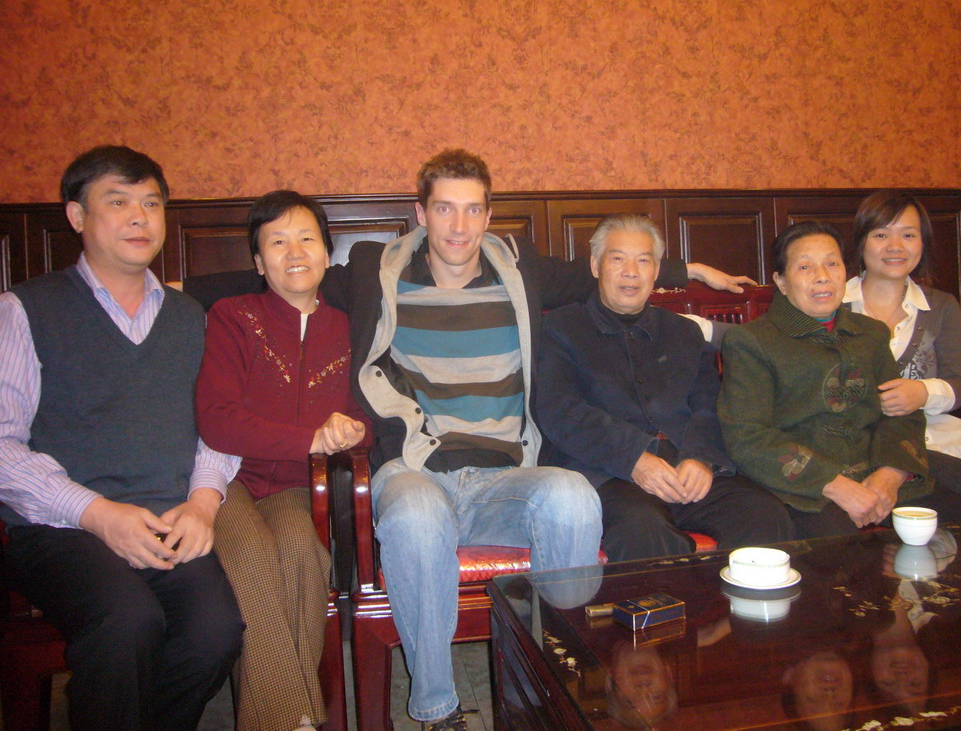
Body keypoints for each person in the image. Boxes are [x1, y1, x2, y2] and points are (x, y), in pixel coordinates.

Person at [185, 148, 752, 731]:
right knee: (417, 514)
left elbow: (610, 270)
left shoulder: (519, 265)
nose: (459, 226)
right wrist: (169, 288)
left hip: (506, 475)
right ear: (421, 212)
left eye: (473, 210)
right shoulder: (374, 271)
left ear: (488, 214)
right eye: (445, 209)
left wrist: (690, 272)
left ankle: (549, 688)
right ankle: (437, 709)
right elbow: (287, 272)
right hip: (413, 468)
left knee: (574, 497)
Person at [0, 145, 244, 731]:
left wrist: (204, 502)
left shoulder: (192, 318)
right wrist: (98, 513)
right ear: (78, 217)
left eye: (152, 203)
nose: (140, 217)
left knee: (217, 632)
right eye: (118, 202)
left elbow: (217, 427)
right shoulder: (24, 310)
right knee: (127, 621)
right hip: (61, 528)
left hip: (169, 518)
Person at [195, 191, 371, 731]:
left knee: (303, 555)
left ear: (325, 254)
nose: (293, 252)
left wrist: (355, 428)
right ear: (257, 262)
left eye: (306, 239)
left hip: (300, 488)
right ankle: (293, 719)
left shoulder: (349, 324)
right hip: (228, 479)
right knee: (250, 554)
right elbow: (217, 421)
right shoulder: (233, 316)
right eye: (276, 241)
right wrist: (308, 439)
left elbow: (372, 405)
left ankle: (287, 717)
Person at [537, 214, 793, 562]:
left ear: (656, 270)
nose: (632, 271)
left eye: (644, 260)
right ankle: (681, 615)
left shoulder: (683, 332)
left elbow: (709, 405)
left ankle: (749, 617)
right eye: (617, 259)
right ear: (596, 266)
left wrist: (701, 459)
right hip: (607, 472)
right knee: (641, 529)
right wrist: (634, 459)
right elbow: (561, 412)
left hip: (686, 467)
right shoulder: (559, 328)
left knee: (763, 515)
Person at [717, 221, 961, 539]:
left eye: (832, 263)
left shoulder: (870, 333)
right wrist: (837, 486)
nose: (822, 276)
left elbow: (902, 412)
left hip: (878, 476)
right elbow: (748, 437)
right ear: (781, 281)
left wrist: (892, 472)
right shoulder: (752, 341)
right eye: (805, 266)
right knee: (846, 559)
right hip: (807, 490)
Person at [844, 190, 961, 516]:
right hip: (875, 442)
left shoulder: (941, 305)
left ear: (922, 243)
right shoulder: (832, 305)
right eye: (881, 234)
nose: (895, 246)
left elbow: (959, 385)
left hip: (940, 429)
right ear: (861, 242)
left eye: (908, 235)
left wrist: (922, 391)